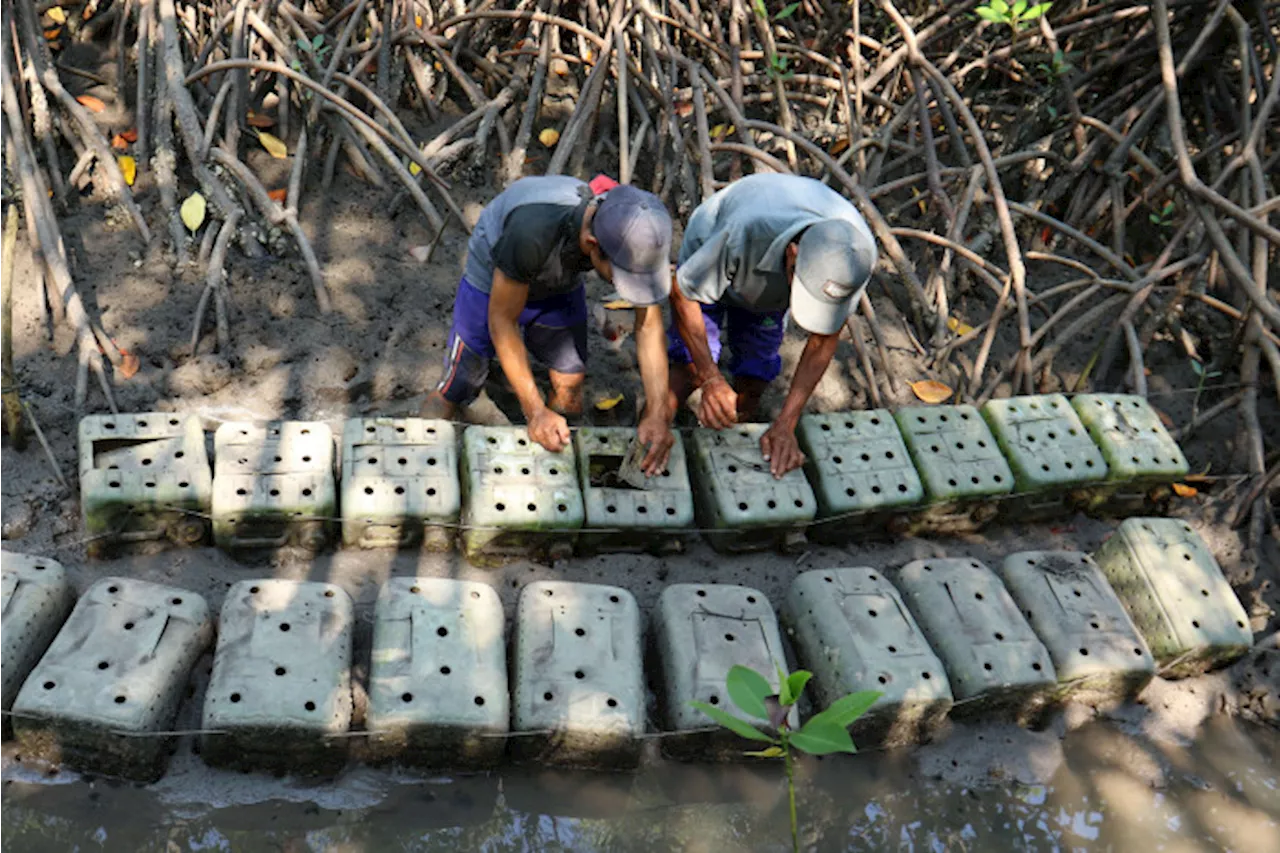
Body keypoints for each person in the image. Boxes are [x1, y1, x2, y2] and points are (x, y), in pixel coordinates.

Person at [422, 176, 676, 475]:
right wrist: (535, 411)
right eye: (624, 278)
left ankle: (555, 450)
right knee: (459, 382)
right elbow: (502, 321)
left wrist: (658, 412)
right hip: (496, 274)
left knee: (570, 383)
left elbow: (648, 327)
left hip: (560, 279)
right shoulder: (531, 233)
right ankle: (422, 449)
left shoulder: (635, 229)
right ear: (592, 245)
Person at [666, 174, 877, 478]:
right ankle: (657, 426)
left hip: (766, 289)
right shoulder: (743, 231)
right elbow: (682, 293)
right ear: (793, 255)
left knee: (756, 370)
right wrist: (710, 378)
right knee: (689, 365)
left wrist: (786, 423)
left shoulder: (856, 256)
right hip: (715, 253)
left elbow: (824, 338)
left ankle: (731, 439)